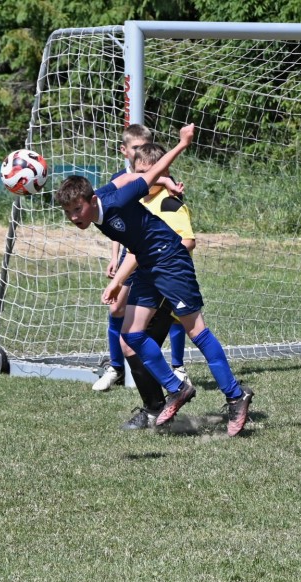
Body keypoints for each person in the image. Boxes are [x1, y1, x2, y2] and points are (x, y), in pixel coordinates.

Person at [55, 123, 255, 436]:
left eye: (77, 209)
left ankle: (235, 395)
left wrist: (182, 144)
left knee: (196, 331)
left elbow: (148, 175)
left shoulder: (118, 202)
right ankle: (177, 388)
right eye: (68, 212)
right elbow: (126, 177)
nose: (74, 217)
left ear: (90, 201)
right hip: (147, 264)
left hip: (170, 259)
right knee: (131, 334)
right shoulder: (101, 199)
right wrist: (117, 282)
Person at [94, 125, 190, 391]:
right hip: (131, 253)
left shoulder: (162, 180)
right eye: (136, 147)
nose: (141, 151)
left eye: (145, 146)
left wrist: (168, 182)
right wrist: (114, 256)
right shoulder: (119, 179)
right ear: (124, 150)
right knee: (116, 309)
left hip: (156, 254)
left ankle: (177, 367)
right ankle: (116, 367)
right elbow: (115, 222)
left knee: (175, 311)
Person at [114, 142, 197, 430]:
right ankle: (159, 405)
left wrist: (159, 262)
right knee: (132, 344)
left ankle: (163, 401)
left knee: (132, 343)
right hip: (147, 281)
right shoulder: (139, 203)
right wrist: (119, 279)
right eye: (138, 173)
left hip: (164, 285)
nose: (143, 178)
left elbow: (187, 241)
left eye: (148, 172)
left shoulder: (168, 203)